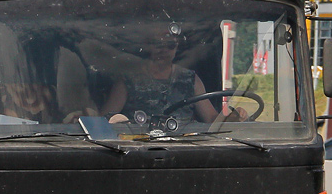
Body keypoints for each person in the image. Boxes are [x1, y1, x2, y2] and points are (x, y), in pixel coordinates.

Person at [100, 24, 245, 126]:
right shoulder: (128, 80)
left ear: (177, 48)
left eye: (170, 45)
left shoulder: (190, 79)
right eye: (158, 44)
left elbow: (212, 119)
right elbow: (105, 119)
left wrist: (233, 118)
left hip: (183, 149)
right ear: (148, 45)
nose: (164, 50)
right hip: (138, 149)